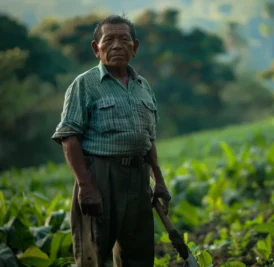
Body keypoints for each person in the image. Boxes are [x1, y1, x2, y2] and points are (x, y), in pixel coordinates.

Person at [51, 14, 171, 267]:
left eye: (124, 39)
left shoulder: (142, 86)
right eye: (109, 40)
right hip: (100, 177)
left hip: (138, 179)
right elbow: (69, 136)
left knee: (138, 256)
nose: (116, 45)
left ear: (134, 47)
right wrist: (85, 185)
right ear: (97, 49)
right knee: (93, 255)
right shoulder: (85, 84)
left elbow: (148, 139)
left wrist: (158, 180)